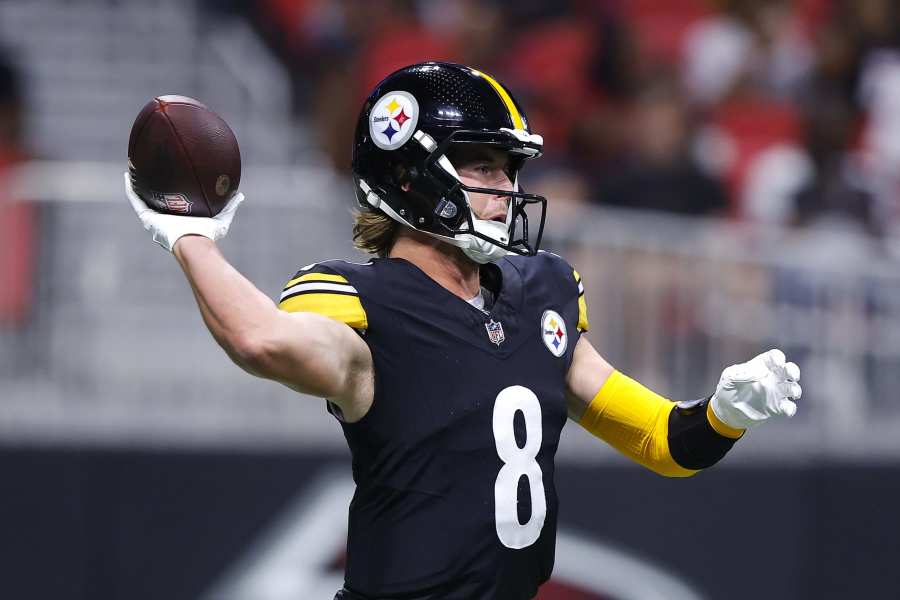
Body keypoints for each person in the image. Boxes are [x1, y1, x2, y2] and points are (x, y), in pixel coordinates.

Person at [125, 62, 802, 600]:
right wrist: (192, 239)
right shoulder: (363, 301)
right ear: (411, 176)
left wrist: (722, 415)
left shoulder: (543, 292)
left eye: (509, 167)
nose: (505, 185)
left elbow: (662, 441)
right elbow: (262, 340)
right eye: (481, 164)